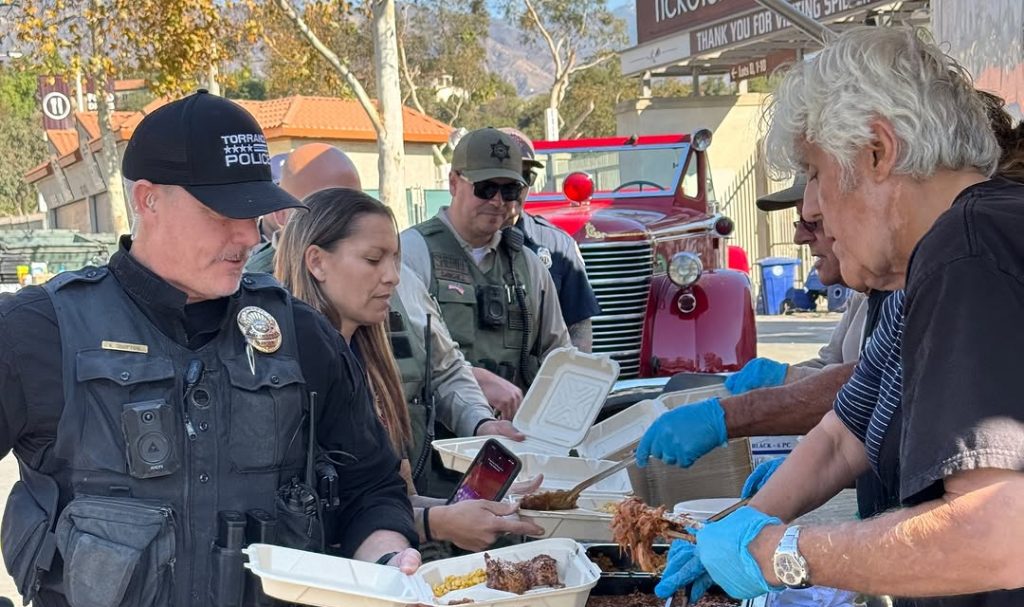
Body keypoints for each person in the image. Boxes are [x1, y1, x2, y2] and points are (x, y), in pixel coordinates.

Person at [0, 91, 418, 607]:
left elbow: (370, 488)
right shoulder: (38, 331)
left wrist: (386, 559)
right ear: (148, 199)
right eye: (223, 212)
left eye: (256, 211)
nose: (247, 236)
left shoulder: (301, 336)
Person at [653, 27, 1024, 606]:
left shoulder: (967, 248)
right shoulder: (922, 271)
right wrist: (743, 523)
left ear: (878, 151)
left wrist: (782, 553)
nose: (809, 206)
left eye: (816, 172)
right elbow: (844, 434)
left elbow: (999, 532)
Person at [275, 188, 545, 552]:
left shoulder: (365, 354)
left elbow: (380, 498)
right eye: (373, 260)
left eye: (395, 260)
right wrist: (439, 522)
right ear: (316, 262)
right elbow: (323, 517)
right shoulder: (287, 368)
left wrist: (473, 507)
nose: (392, 277)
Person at [401, 127, 571, 402]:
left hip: (515, 436)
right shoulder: (412, 253)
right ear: (454, 183)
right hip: (439, 437)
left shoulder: (529, 266)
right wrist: (475, 382)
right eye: (486, 188)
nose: (498, 201)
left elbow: (559, 355)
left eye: (510, 190)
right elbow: (402, 359)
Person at [497, 127, 601, 352]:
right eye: (506, 176)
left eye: (524, 176)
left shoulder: (557, 246)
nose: (515, 187)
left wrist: (572, 379)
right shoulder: (464, 242)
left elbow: (579, 327)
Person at [245, 144, 362, 274]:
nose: (341, 222)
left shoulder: (381, 272)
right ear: (281, 214)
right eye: (320, 211)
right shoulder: (252, 282)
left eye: (354, 209)